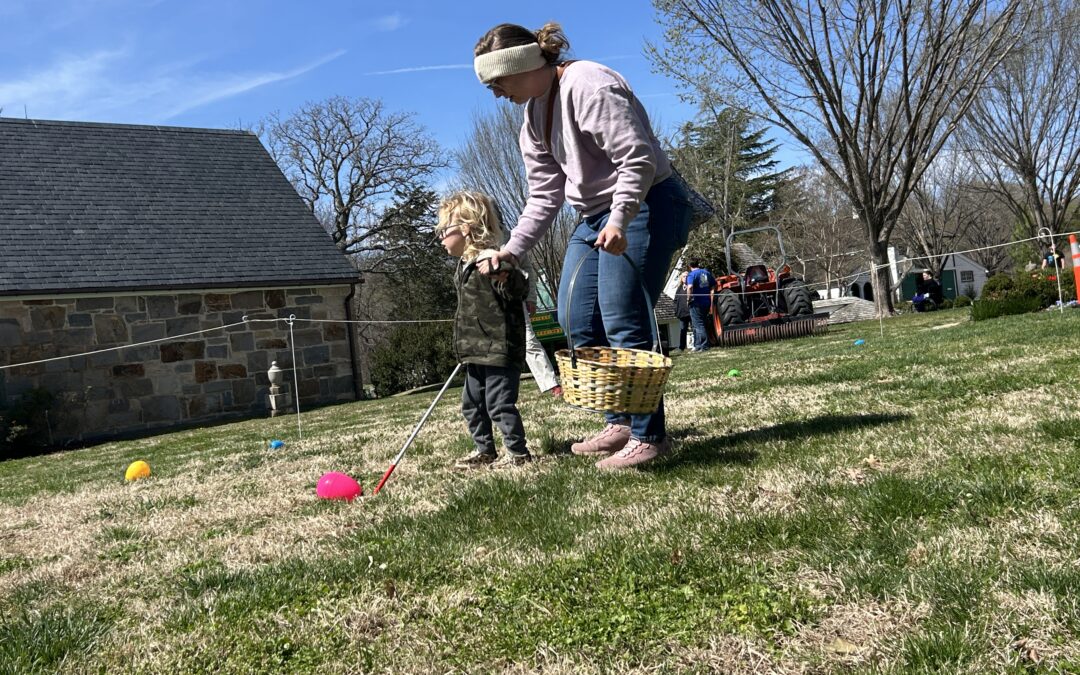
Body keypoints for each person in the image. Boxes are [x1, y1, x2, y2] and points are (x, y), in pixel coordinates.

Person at [473, 22, 692, 470]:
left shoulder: (589, 83)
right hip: (594, 216)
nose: (496, 93)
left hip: (647, 200)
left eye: (499, 81)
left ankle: (651, 435)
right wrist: (511, 250)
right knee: (578, 318)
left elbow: (638, 158)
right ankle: (621, 423)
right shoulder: (532, 118)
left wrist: (620, 219)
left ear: (526, 64)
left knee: (623, 314)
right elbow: (544, 196)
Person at [436, 191, 532, 470]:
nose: (441, 238)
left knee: (499, 404)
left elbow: (517, 289)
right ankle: (484, 450)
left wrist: (506, 273)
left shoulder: (491, 261)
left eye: (444, 230)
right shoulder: (462, 267)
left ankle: (518, 454)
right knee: (472, 404)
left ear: (465, 228)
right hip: (475, 350)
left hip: (499, 350)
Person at [519, 253, 562, 397]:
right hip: (485, 303)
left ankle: (552, 384)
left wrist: (531, 297)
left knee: (529, 341)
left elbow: (527, 268)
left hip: (514, 297)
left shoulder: (508, 237)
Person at [685, 260, 715, 352]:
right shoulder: (706, 273)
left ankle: (704, 346)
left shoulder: (691, 275)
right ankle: (698, 345)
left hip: (696, 302)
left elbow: (690, 287)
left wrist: (688, 299)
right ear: (698, 264)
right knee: (699, 323)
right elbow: (713, 285)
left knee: (698, 324)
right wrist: (711, 296)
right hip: (706, 301)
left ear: (690, 266)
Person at [673, 271, 691, 352]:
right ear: (681, 278)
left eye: (687, 276)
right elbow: (675, 300)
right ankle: (681, 347)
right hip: (682, 313)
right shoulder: (679, 288)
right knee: (682, 330)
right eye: (683, 276)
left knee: (695, 328)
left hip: (691, 311)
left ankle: (697, 345)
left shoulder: (691, 286)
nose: (685, 278)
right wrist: (676, 311)